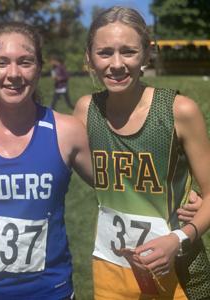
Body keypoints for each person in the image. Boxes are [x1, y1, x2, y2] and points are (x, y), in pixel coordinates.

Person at [73, 6, 210, 299]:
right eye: (105, 52)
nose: (117, 64)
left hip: (178, 266)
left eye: (129, 52)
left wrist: (180, 236)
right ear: (89, 56)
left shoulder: (178, 111)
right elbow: (97, 176)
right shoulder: (86, 111)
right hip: (112, 266)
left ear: (147, 54)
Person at [0, 22, 92, 300]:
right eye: (1, 62)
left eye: (25, 62)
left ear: (39, 68)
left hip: (49, 291)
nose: (13, 74)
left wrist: (181, 191)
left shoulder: (67, 131)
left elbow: (113, 187)